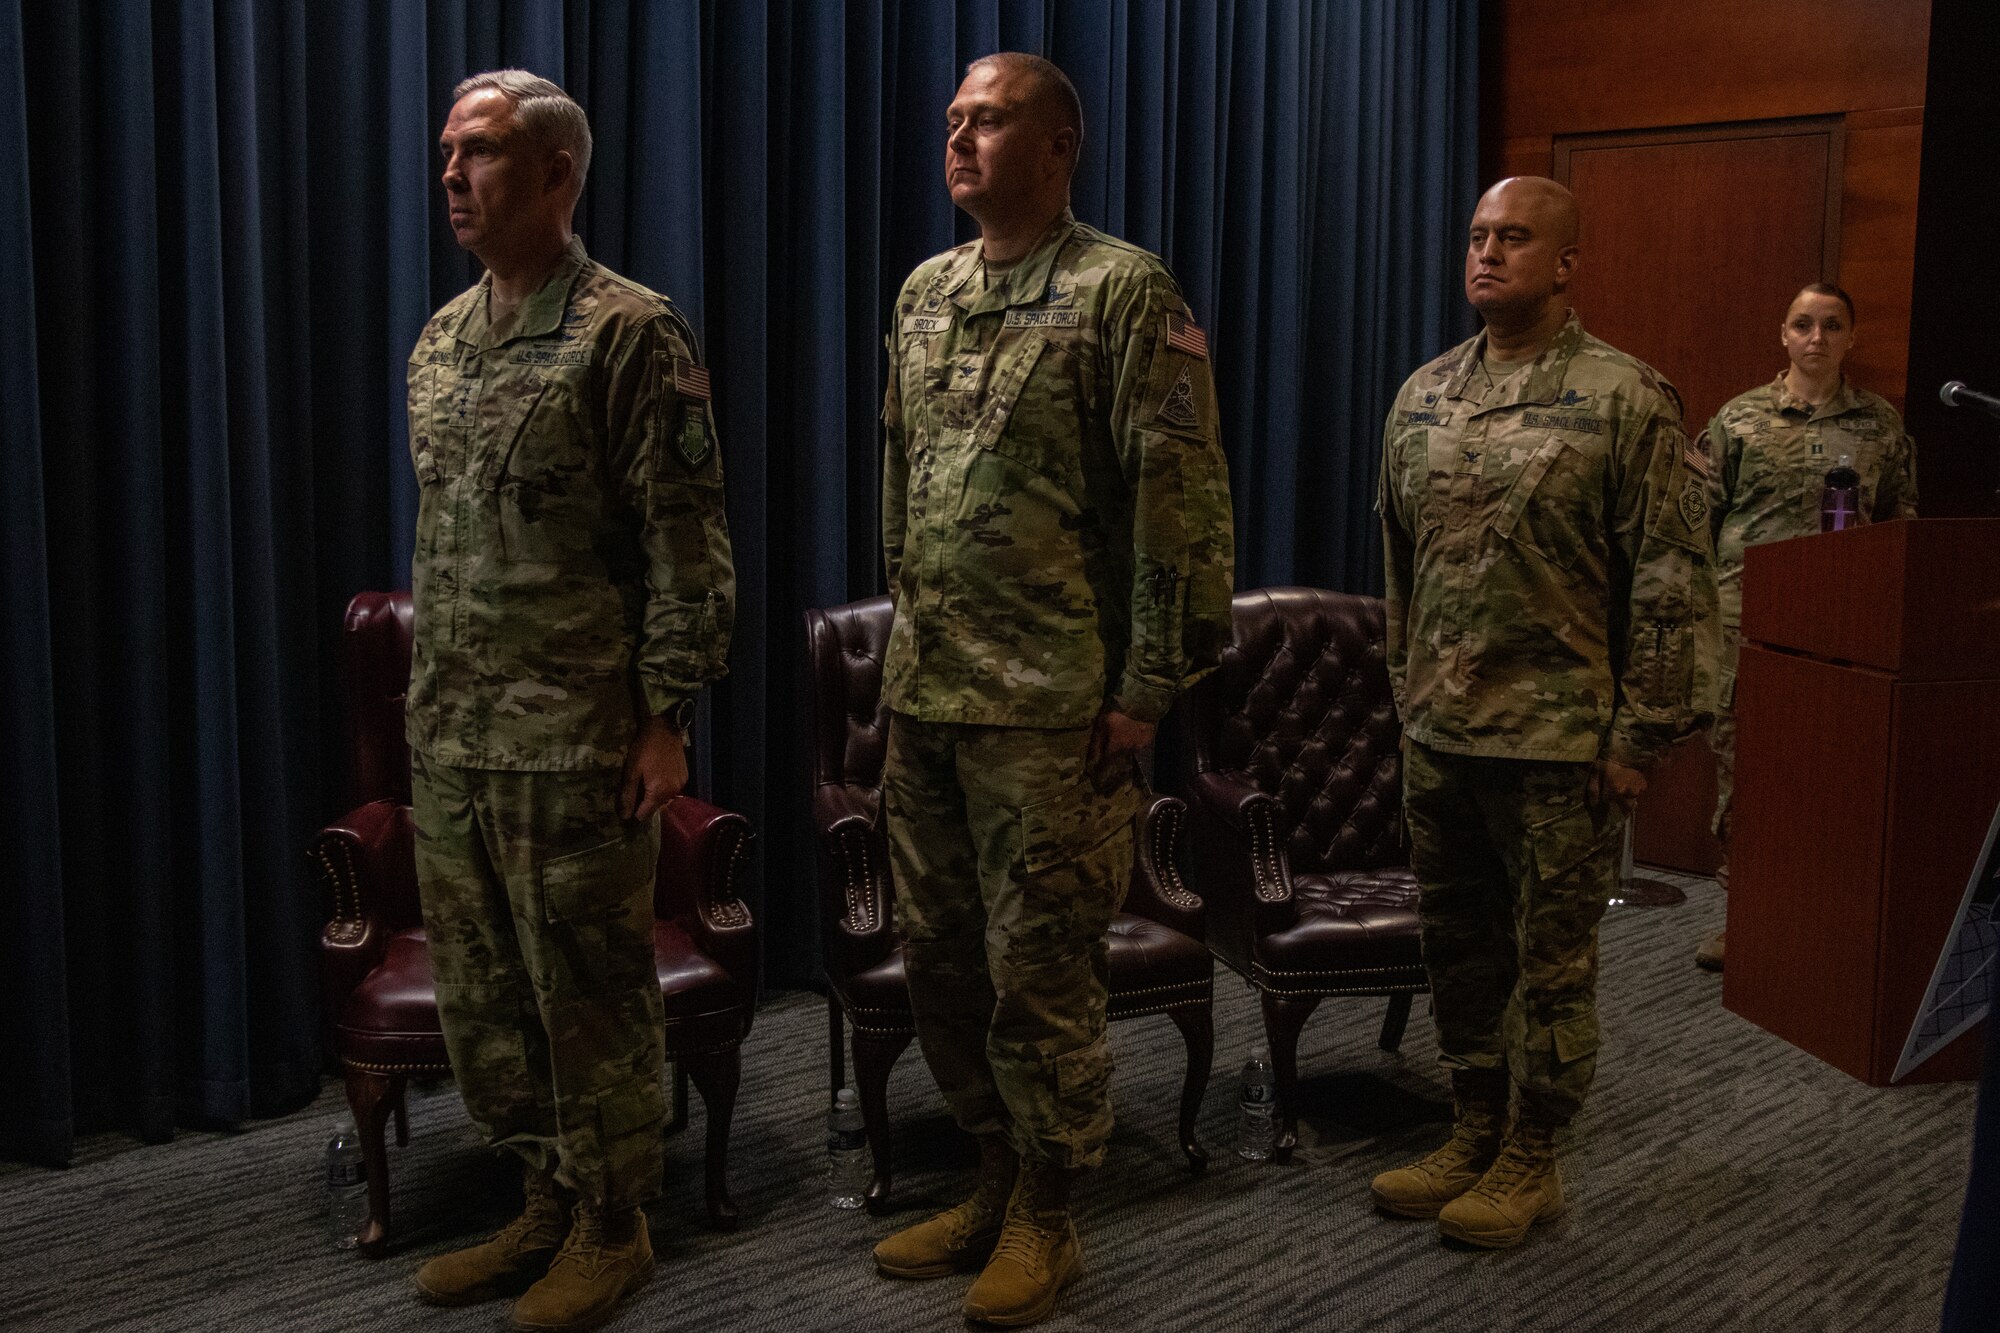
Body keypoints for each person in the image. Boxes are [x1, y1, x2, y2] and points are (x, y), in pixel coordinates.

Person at [871, 51, 1234, 1326]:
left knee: (1041, 975)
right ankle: (989, 1168)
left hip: (1053, 709)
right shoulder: (924, 293)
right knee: (941, 965)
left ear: (1060, 145)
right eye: (954, 119)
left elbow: (1179, 510)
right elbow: (900, 485)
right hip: (926, 702)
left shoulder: (1126, 292)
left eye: (992, 119)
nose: (961, 138)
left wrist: (1144, 692)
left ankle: (1050, 1211)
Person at [401, 70, 733, 1332]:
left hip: (577, 735)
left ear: (555, 175)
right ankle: (539, 1191)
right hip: (458, 733)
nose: (450, 175)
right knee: (488, 996)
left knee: (587, 990)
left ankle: (613, 1220)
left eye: (478, 152)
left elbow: (685, 540)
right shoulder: (439, 340)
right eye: (446, 152)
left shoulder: (628, 331)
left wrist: (665, 717)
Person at [1372, 176, 1716, 1248]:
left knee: (1552, 958)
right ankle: (1472, 1123)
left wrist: (1638, 735)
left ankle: (1534, 1151)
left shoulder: (1624, 398)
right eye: (1475, 236)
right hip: (1439, 731)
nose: (1486, 254)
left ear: (1564, 263)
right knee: (1458, 948)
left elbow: (1666, 578)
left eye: (1512, 238)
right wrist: (1404, 695)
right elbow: (1397, 567)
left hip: (1560, 742)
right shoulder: (1422, 394)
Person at [1693, 283, 1917, 971]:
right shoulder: (1738, 420)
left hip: (1844, 629)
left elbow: (1903, 527)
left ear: (1853, 338)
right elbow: (1698, 522)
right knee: (1746, 771)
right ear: (1782, 335)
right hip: (1748, 623)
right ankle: (1743, 919)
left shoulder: (1881, 426)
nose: (1816, 337)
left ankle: (1819, 922)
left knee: (1829, 774)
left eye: (1831, 325)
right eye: (1802, 324)